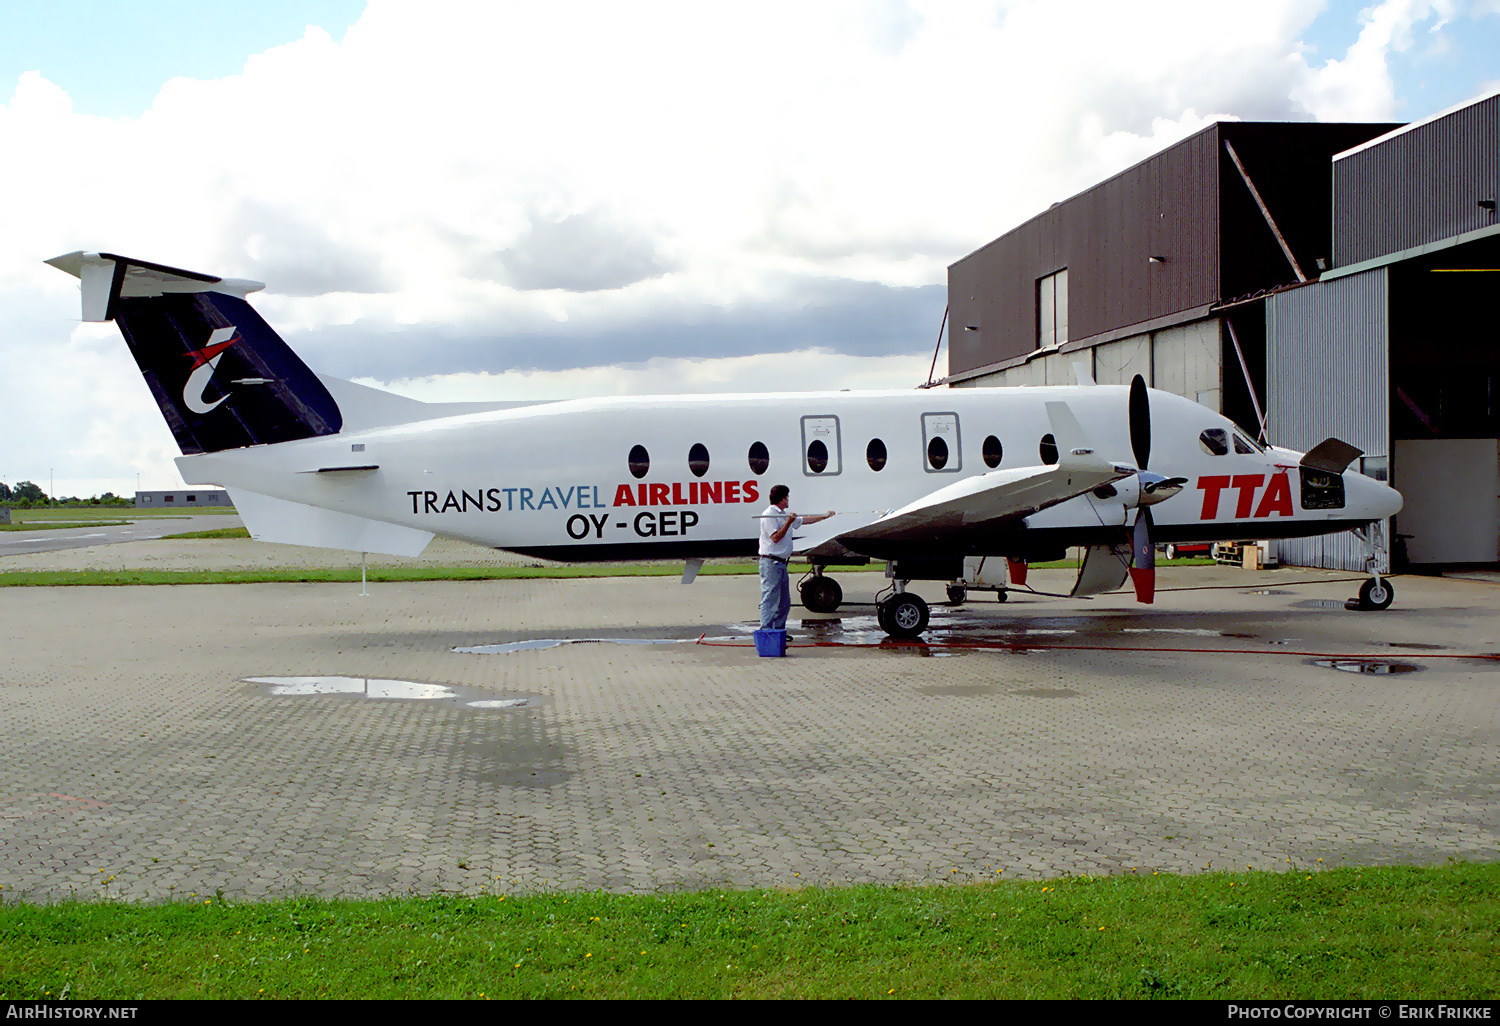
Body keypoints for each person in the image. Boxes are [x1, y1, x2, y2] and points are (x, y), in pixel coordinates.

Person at [758, 484, 834, 631]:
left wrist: (824, 516)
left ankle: (779, 630)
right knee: (770, 599)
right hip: (770, 562)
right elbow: (775, 537)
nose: (788, 500)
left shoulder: (784, 514)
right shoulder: (769, 515)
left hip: (780, 563)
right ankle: (766, 631)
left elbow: (804, 520)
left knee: (784, 602)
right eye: (787, 497)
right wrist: (788, 522)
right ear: (782, 499)